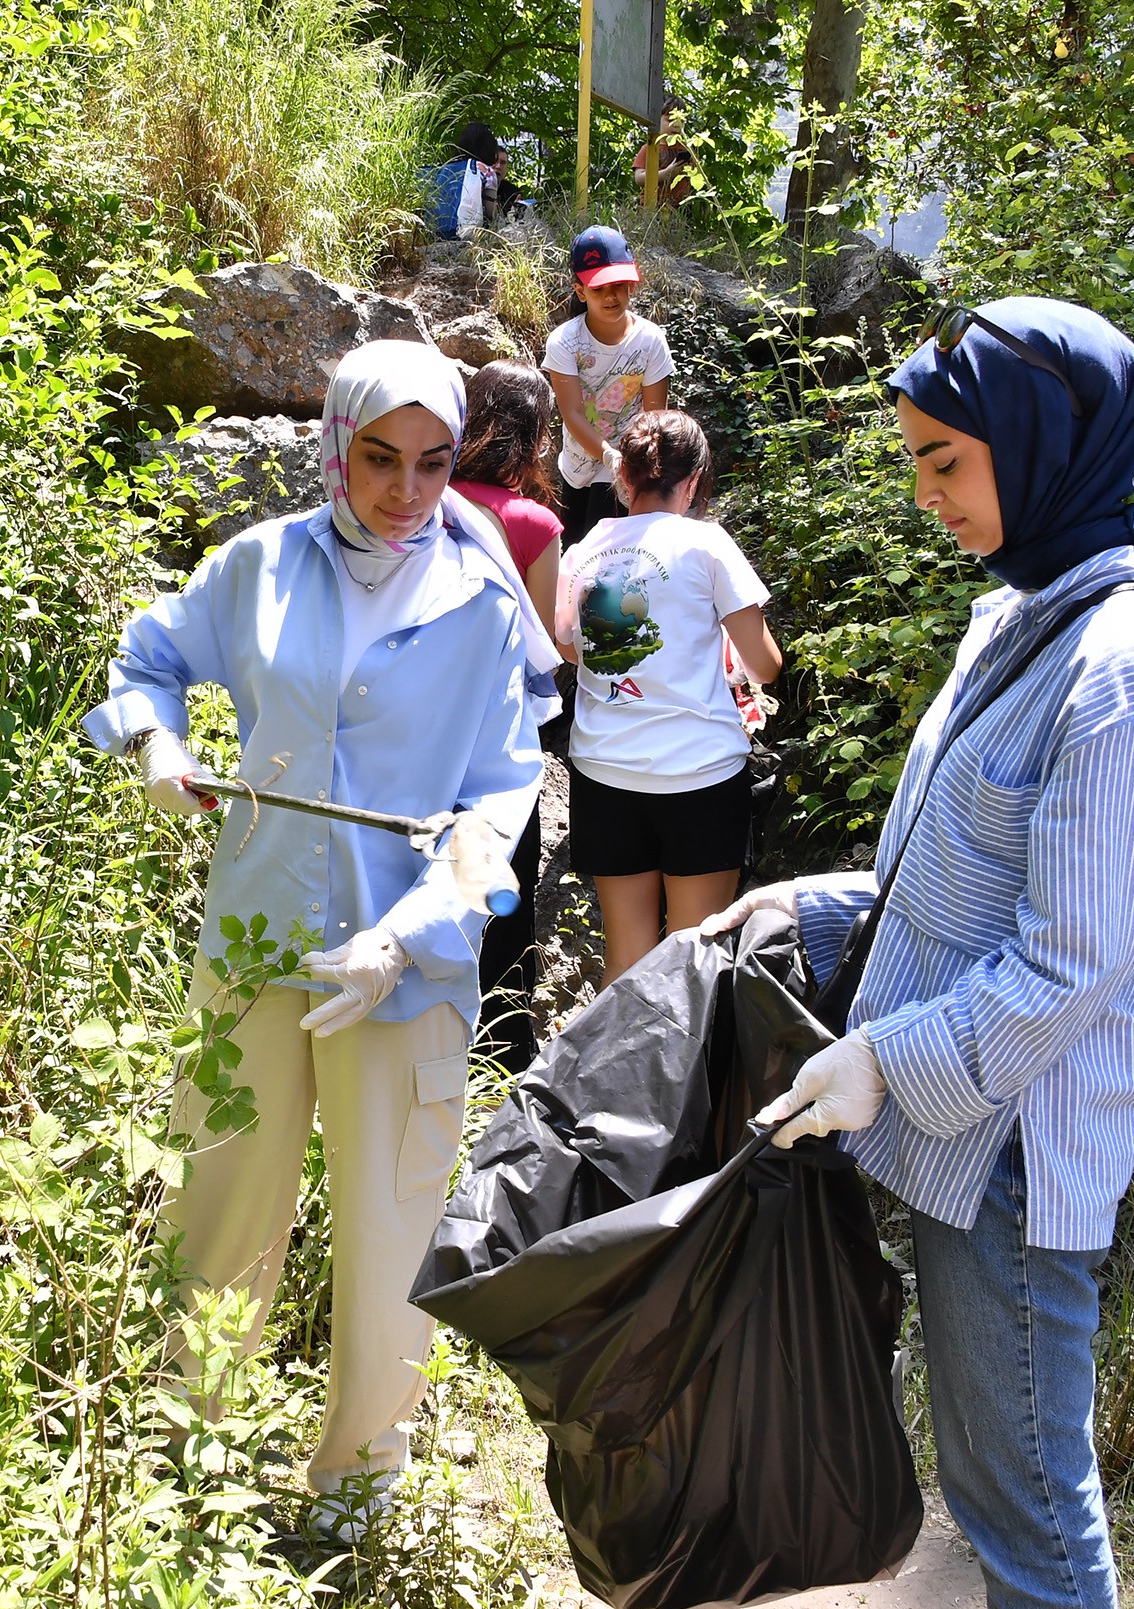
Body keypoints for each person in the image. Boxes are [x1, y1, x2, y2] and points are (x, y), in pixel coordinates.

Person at [704, 297, 1134, 1609]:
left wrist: (881, 1061)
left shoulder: (1123, 673)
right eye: (917, 460)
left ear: (1047, 444)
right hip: (956, 1127)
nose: (927, 493)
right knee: (1003, 1496)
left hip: (1012, 1156)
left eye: (947, 459)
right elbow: (957, 864)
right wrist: (813, 902)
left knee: (1030, 1512)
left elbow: (1071, 962)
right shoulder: (1021, 617)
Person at [84, 340, 558, 1540]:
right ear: (334, 446)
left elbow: (502, 795)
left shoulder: (482, 591)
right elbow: (146, 659)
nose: (405, 490)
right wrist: (157, 745)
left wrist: (408, 935)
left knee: (388, 1228)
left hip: (407, 971)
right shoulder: (258, 566)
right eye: (378, 458)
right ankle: (186, 1453)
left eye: (434, 463)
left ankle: (353, 1497)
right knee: (220, 1197)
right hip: (252, 935)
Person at [550, 408, 780, 986]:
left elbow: (569, 648)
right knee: (693, 959)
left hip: (604, 774)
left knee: (626, 957)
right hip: (699, 774)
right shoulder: (706, 544)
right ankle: (688, 1080)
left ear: (622, 479)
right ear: (695, 481)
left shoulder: (585, 550)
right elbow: (767, 666)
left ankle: (614, 1077)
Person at [451, 362, 567, 1071]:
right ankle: (502, 1055)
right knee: (505, 889)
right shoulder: (532, 522)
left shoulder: (424, 500)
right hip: (500, 732)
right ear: (537, 437)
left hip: (424, 727)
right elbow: (546, 643)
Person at [542, 226, 674, 546]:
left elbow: (654, 418)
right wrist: (606, 455)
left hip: (627, 466)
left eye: (618, 285)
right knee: (572, 550)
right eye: (599, 288)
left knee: (607, 554)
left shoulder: (650, 341)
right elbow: (572, 413)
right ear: (580, 290)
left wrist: (628, 463)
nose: (611, 296)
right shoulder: (564, 342)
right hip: (577, 462)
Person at [633, 99, 695, 207]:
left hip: (681, 207)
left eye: (681, 121)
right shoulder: (650, 147)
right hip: (653, 205)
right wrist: (665, 174)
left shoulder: (687, 149)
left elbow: (696, 175)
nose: (676, 125)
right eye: (670, 119)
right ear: (657, 120)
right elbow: (638, 178)